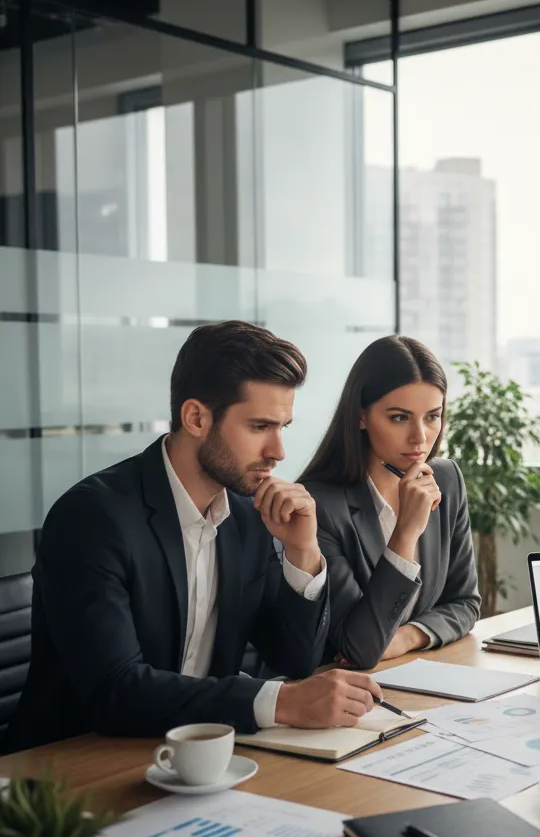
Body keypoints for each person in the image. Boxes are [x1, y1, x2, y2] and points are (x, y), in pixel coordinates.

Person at [7, 321, 383, 754]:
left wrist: (303, 550)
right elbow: (115, 692)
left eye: (283, 427)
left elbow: (294, 660)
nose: (278, 451)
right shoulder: (92, 518)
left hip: (198, 754)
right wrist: (278, 702)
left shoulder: (246, 516)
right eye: (260, 426)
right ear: (196, 417)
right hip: (72, 769)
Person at [299, 335, 480, 670]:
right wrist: (406, 533)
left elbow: (465, 602)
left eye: (432, 416)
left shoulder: (447, 479)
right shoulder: (318, 505)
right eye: (399, 417)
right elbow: (360, 647)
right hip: (341, 690)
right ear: (360, 416)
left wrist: (407, 637)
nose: (421, 437)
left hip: (417, 673)